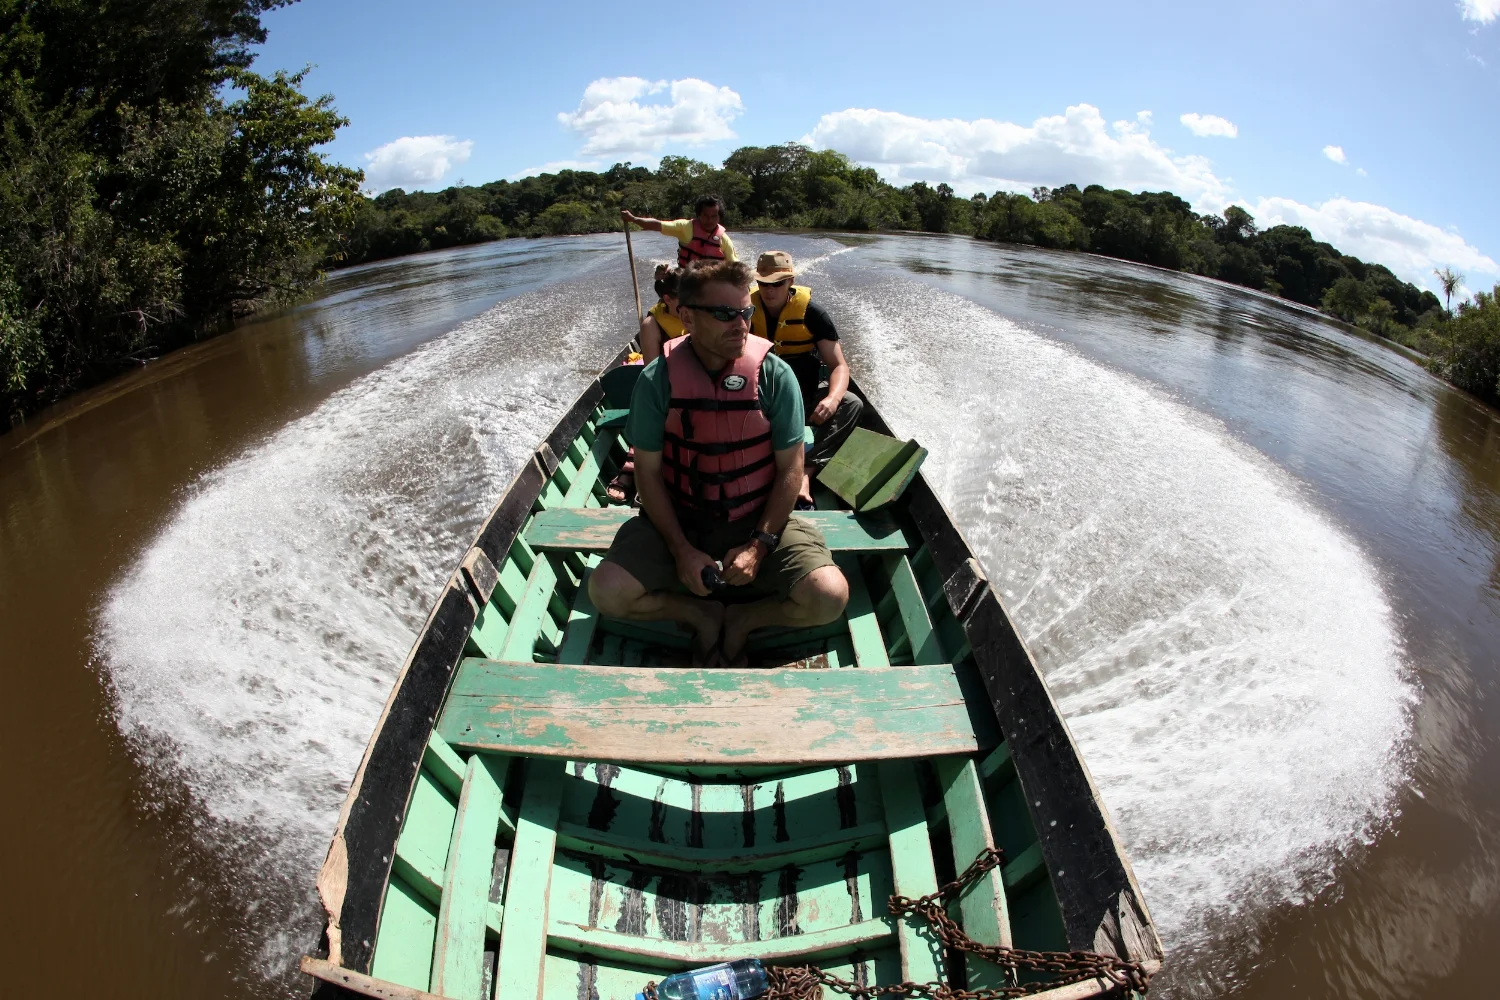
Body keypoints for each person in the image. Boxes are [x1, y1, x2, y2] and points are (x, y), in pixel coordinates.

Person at [587, 260, 849, 667]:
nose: (741, 324)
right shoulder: (658, 379)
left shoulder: (775, 377)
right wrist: (680, 550)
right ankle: (698, 613)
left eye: (745, 312)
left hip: (757, 515)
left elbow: (790, 472)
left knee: (829, 597)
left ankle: (746, 618)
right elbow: (649, 474)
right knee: (605, 591)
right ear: (687, 316)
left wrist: (760, 546)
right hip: (679, 516)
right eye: (725, 314)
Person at [749, 250, 864, 506]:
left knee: (851, 403)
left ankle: (806, 472)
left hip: (805, 397)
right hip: (760, 397)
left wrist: (832, 400)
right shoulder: (744, 310)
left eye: (777, 283)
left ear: (790, 281)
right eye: (763, 283)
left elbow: (838, 366)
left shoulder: (814, 314)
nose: (769, 290)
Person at [622, 195, 737, 268]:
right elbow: (657, 224)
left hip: (712, 285)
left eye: (714, 216)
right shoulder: (685, 227)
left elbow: (735, 266)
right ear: (698, 215)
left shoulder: (724, 240)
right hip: (687, 280)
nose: (709, 220)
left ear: (720, 217)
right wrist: (633, 219)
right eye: (705, 215)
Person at [640, 263, 685, 362]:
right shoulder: (650, 326)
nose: (693, 303)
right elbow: (652, 375)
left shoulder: (700, 312)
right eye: (686, 299)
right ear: (668, 299)